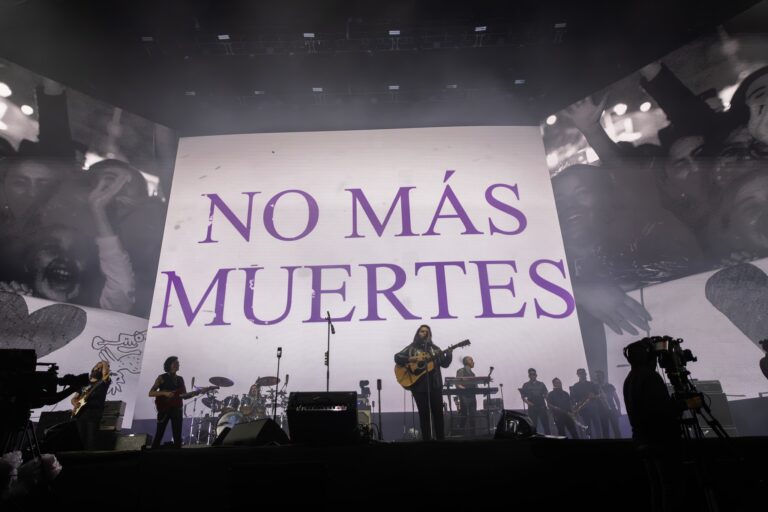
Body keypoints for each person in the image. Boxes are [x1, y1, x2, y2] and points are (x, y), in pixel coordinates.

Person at [623, 339, 703, 511]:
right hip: (661, 441)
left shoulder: (631, 378)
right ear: (647, 356)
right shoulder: (649, 376)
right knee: (671, 490)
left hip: (644, 441)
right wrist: (687, 403)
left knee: (658, 489)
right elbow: (662, 411)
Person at [394, 325, 452, 441]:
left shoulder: (435, 349)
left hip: (435, 385)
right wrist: (412, 359)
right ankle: (426, 440)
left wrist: (449, 355)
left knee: (438, 413)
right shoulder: (411, 348)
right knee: (424, 414)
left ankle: (441, 440)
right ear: (418, 333)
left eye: (427, 332)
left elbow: (444, 364)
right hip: (418, 387)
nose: (424, 333)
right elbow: (397, 357)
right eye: (422, 331)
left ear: (430, 334)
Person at [71, 360, 110, 450]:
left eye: (101, 369)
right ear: (93, 369)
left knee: (90, 442)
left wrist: (105, 363)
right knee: (79, 440)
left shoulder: (103, 383)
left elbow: (106, 373)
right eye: (97, 367)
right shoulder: (84, 384)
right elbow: (74, 398)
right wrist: (75, 403)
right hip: (80, 415)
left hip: (93, 415)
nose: (99, 369)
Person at [148, 356, 187, 448]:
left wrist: (197, 393)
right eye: (176, 363)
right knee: (159, 435)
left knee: (177, 437)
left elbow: (184, 396)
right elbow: (151, 393)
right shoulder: (161, 377)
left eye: (178, 363)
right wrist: (164, 393)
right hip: (164, 409)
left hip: (177, 409)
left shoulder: (180, 379)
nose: (178, 364)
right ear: (169, 365)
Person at [570, 368, 602, 438]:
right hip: (583, 411)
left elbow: (599, 395)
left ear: (586, 374)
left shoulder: (591, 384)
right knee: (587, 428)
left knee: (598, 428)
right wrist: (578, 403)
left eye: (583, 373)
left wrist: (594, 396)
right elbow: (572, 399)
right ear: (578, 375)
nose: (582, 375)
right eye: (580, 373)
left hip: (594, 409)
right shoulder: (575, 386)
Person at [520, 368, 551, 435]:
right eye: (530, 374)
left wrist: (548, 403)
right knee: (533, 426)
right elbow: (523, 397)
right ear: (529, 376)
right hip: (532, 407)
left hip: (542, 406)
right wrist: (529, 403)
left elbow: (546, 394)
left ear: (536, 375)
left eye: (533, 374)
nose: (532, 375)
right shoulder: (526, 385)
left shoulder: (541, 384)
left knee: (546, 425)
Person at [594, 370, 622, 438]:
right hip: (602, 412)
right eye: (597, 376)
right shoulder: (594, 387)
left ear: (603, 376)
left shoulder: (610, 386)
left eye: (599, 376)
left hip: (612, 410)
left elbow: (616, 399)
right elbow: (592, 399)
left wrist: (619, 410)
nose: (597, 377)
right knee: (605, 431)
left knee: (616, 430)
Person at [454, 356, 477, 436]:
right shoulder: (461, 371)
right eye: (472, 360)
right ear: (467, 361)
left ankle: (473, 435)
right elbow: (457, 384)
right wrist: (465, 390)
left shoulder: (473, 374)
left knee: (473, 417)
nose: (473, 362)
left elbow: (475, 386)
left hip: (472, 397)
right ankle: (460, 436)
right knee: (464, 416)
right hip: (464, 397)